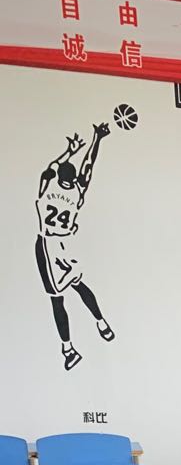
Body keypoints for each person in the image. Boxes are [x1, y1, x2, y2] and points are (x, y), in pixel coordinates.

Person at [36, 124, 114, 371]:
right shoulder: (78, 193)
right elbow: (88, 167)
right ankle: (101, 322)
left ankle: (68, 350)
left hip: (48, 245)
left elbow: (51, 167)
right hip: (65, 244)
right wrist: (97, 138)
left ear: (59, 177)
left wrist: (69, 152)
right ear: (73, 179)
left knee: (57, 300)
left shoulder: (47, 187)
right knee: (79, 285)